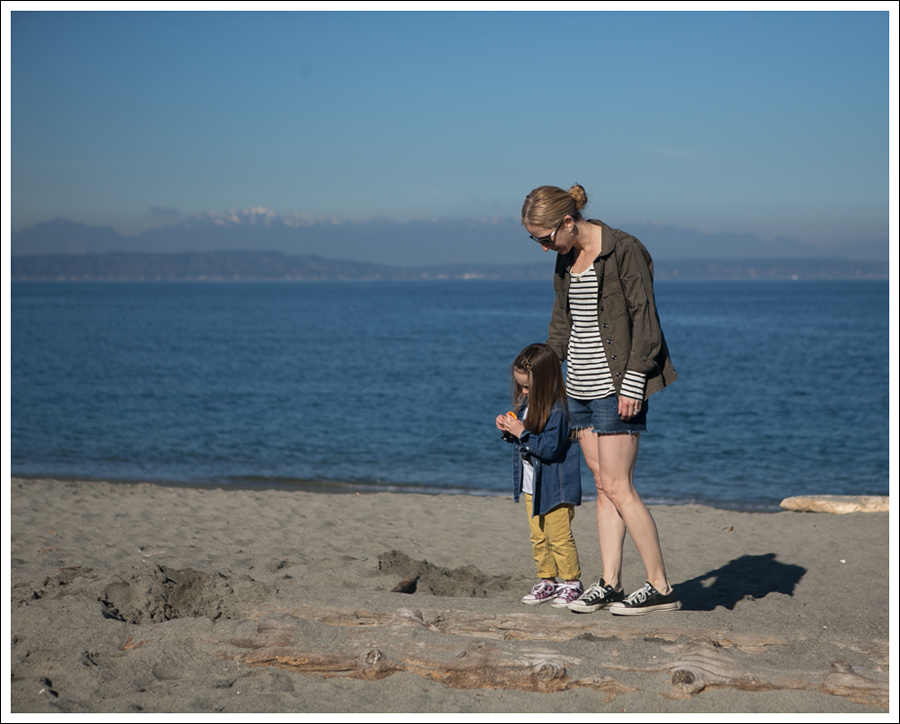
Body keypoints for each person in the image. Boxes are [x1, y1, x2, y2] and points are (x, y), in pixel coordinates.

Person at [520, 184, 680, 616]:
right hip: (580, 389)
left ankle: (661, 587)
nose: (543, 246)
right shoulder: (565, 259)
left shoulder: (625, 250)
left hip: (618, 387)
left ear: (568, 222)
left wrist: (634, 382)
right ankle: (610, 582)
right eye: (535, 239)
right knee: (602, 487)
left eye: (545, 237)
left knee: (620, 487)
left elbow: (645, 319)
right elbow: (561, 324)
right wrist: (544, 380)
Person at [496, 343, 585, 608]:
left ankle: (572, 582)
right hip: (530, 484)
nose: (522, 391)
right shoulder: (527, 404)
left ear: (545, 382)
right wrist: (508, 429)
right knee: (538, 536)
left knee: (559, 536)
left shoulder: (558, 410)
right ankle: (547, 580)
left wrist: (521, 431)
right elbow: (525, 441)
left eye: (526, 386)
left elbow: (548, 448)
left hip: (555, 485)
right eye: (519, 385)